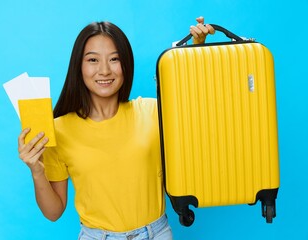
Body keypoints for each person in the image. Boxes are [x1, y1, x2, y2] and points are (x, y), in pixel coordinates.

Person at [18, 16, 214, 239]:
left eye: (114, 59)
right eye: (92, 60)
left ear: (126, 64)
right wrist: (37, 171)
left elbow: (199, 114)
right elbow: (53, 212)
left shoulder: (153, 112)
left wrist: (197, 51)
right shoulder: (59, 130)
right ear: (78, 67)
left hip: (157, 233)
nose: (104, 70)